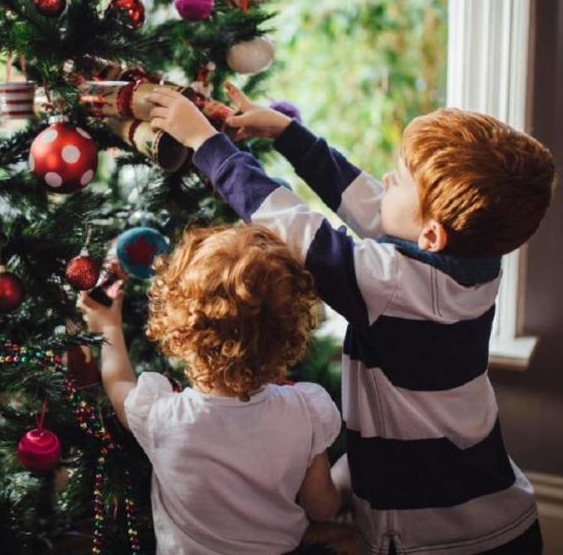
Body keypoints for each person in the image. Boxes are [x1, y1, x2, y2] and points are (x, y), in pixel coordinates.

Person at [144, 83, 555, 555]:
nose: (383, 180)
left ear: (432, 234)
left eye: (397, 181)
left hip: (442, 536)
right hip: (499, 512)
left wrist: (207, 146)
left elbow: (294, 227)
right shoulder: (471, 264)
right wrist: (288, 134)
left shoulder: (392, 286)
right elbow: (367, 203)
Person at [78, 224, 342, 555]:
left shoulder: (163, 416)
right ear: (287, 334)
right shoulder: (306, 411)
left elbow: (117, 382)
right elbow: (321, 508)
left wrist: (108, 326)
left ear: (180, 332)